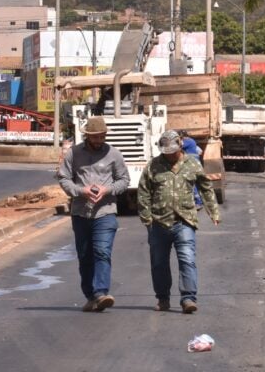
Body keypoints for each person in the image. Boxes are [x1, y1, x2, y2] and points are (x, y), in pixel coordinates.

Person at [137, 130, 220, 314]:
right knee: (159, 263)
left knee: (187, 260)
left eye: (172, 151)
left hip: (184, 221)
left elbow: (205, 188)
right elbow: (143, 193)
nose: (169, 155)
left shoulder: (192, 164)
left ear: (180, 146)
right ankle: (163, 298)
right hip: (159, 223)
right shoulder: (153, 166)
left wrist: (213, 211)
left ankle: (188, 298)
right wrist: (147, 219)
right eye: (166, 151)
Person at [57, 116, 130, 312]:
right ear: (87, 136)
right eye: (96, 137)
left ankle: (101, 293)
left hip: (105, 212)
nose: (99, 140)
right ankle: (90, 295)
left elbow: (124, 180)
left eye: (102, 136)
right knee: (85, 256)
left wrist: (107, 190)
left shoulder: (114, 154)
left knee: (102, 252)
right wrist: (81, 191)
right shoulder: (73, 153)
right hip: (81, 213)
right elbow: (63, 178)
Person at [179, 130, 204, 210]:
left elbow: (179, 146)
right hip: (195, 162)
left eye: (180, 136)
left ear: (182, 136)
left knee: (190, 182)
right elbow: (200, 151)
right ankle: (199, 201)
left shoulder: (187, 141)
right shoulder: (192, 141)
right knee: (195, 182)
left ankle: (198, 202)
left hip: (191, 163)